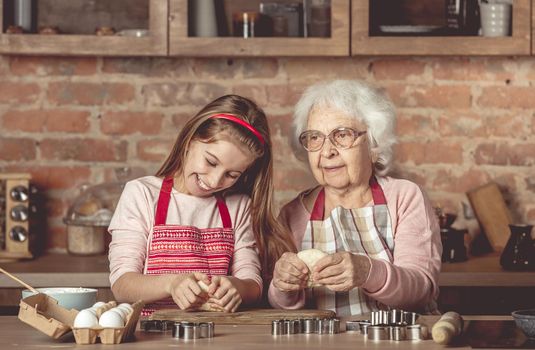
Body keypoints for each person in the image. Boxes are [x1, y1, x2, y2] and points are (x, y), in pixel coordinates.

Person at [108, 95, 294, 316]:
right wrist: (171, 284)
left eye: (232, 174)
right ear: (190, 141)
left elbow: (252, 283)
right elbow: (122, 284)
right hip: (151, 336)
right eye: (211, 162)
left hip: (218, 334)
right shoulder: (142, 195)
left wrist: (237, 287)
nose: (215, 181)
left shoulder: (238, 207)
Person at [268, 80, 442, 316]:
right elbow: (282, 308)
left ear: (374, 144)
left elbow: (421, 289)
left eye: (342, 135)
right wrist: (282, 286)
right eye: (315, 138)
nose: (327, 151)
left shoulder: (405, 197)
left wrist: (367, 272)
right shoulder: (292, 214)